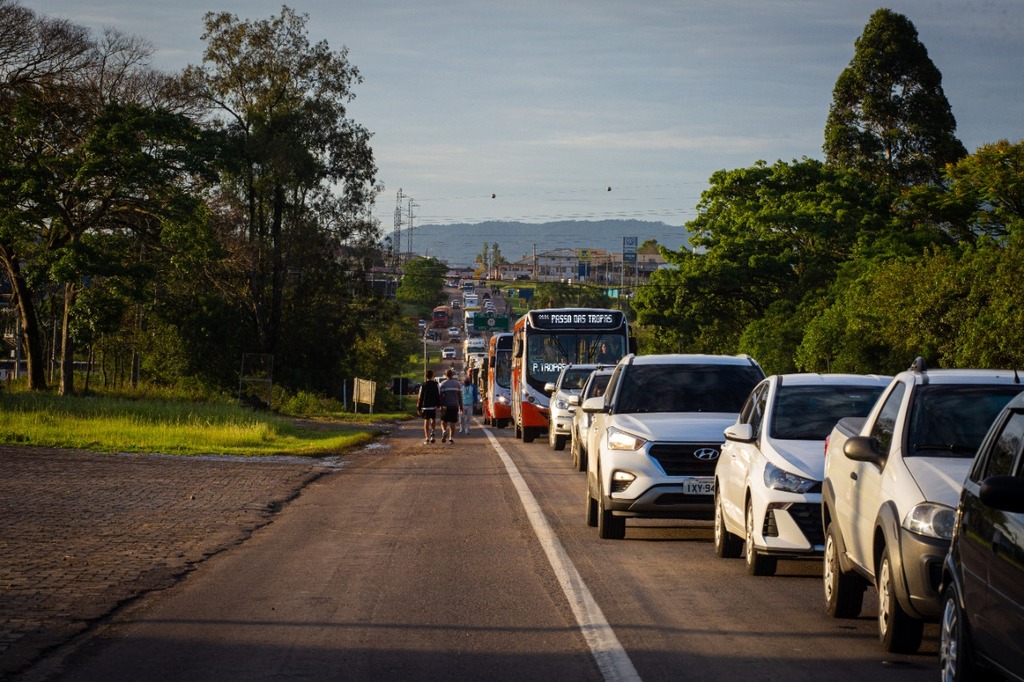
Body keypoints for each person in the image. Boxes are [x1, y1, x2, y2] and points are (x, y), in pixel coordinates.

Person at [438, 368, 462, 444]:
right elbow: (459, 396)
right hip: (454, 405)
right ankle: (451, 438)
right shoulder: (457, 384)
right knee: (453, 422)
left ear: (445, 375)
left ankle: (444, 431)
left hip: (445, 406)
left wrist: (441, 406)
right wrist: (461, 406)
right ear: (452, 375)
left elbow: (440, 396)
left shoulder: (443, 384)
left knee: (443, 421)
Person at [416, 369, 440, 444]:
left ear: (426, 376)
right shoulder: (436, 384)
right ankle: (432, 433)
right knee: (433, 419)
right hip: (433, 405)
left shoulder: (423, 385)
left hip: (425, 405)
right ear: (432, 376)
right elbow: (438, 395)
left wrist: (418, 408)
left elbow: (420, 397)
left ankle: (427, 438)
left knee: (426, 420)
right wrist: (438, 405)